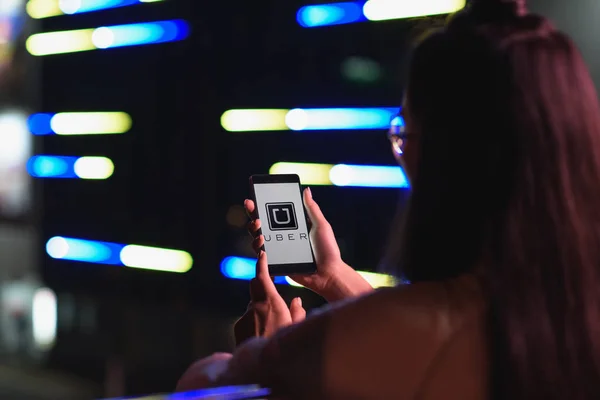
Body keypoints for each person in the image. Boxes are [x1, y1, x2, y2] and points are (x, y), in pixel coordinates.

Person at [177, 0, 600, 398]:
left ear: (441, 158)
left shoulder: (388, 337)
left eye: (404, 135)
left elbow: (201, 384)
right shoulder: (571, 318)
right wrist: (335, 277)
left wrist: (270, 352)